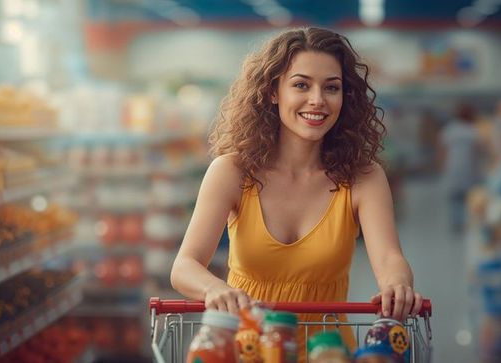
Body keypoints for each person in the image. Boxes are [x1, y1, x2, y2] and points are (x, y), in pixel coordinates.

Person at [170, 27, 423, 357]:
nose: (317, 100)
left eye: (331, 87)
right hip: (249, 348)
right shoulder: (231, 171)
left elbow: (390, 257)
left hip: (327, 353)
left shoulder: (363, 177)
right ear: (273, 91)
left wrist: (397, 285)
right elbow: (184, 265)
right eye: (301, 84)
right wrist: (215, 288)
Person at [438, 103, 482, 234]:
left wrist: (441, 165)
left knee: (454, 198)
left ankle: (456, 222)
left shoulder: (449, 130)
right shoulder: (472, 131)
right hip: (468, 168)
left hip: (452, 167)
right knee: (466, 197)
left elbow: (442, 150)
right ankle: (465, 222)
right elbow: (477, 151)